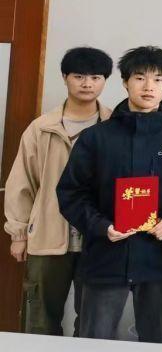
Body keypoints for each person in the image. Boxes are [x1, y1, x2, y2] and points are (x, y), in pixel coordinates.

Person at [56, 46, 162, 343]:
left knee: (154, 342)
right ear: (125, 82)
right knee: (94, 341)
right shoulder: (97, 137)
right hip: (105, 256)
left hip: (158, 257)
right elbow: (71, 192)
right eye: (140, 78)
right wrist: (101, 226)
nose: (148, 86)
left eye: (158, 79)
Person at [4, 47, 113, 335]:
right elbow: (22, 182)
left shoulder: (115, 126)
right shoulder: (41, 128)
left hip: (99, 237)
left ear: (106, 80)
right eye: (79, 76)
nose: (87, 83)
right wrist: (18, 234)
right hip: (47, 235)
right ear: (65, 77)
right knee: (40, 317)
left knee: (92, 322)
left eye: (95, 77)